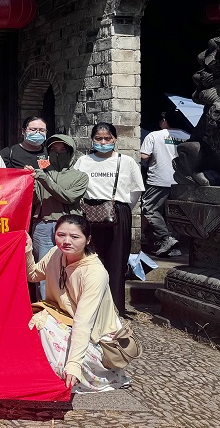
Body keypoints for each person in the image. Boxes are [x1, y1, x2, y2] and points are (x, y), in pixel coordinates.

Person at [26, 214, 132, 393]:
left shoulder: (95, 273)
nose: (66, 241)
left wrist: (74, 364)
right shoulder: (56, 253)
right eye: (61, 235)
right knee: (34, 319)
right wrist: (27, 250)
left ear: (88, 239)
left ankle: (95, 374)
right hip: (65, 321)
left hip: (96, 338)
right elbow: (33, 275)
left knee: (43, 323)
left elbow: (83, 323)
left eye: (75, 237)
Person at [73, 122, 144, 317]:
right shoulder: (83, 161)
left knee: (117, 261)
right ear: (92, 140)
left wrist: (121, 210)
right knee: (91, 261)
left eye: (107, 138)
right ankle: (91, 308)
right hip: (90, 212)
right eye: (98, 138)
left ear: (115, 139)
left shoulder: (126, 161)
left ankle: (115, 309)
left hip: (118, 212)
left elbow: (136, 189)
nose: (103, 142)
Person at [29, 134, 89, 300]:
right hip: (43, 225)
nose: (57, 153)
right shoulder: (42, 172)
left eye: (62, 150)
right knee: (43, 270)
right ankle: (45, 308)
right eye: (53, 149)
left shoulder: (80, 176)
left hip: (69, 227)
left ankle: (71, 305)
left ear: (70, 152)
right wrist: (29, 181)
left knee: (71, 267)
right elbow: (35, 200)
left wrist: (45, 181)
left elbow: (69, 197)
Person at [139, 110, 190, 257]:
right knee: (174, 213)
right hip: (182, 182)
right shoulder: (188, 137)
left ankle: (166, 239)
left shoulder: (154, 135)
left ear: (164, 121)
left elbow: (144, 156)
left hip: (159, 180)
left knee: (150, 209)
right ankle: (173, 247)